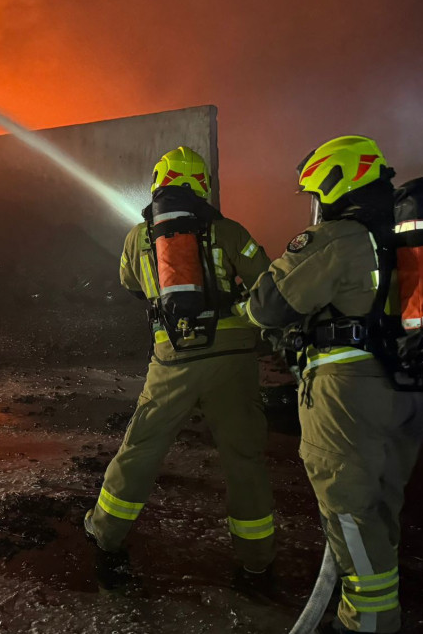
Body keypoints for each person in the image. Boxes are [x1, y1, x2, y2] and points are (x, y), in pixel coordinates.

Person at [244, 135, 423, 634]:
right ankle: (375, 608)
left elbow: (267, 303)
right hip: (409, 386)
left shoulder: (340, 237)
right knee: (379, 508)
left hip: (351, 393)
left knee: (350, 512)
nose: (315, 205)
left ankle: (366, 622)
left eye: (316, 193)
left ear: (335, 183)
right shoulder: (406, 236)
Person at [84, 146, 278, 577]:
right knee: (243, 458)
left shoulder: (139, 236)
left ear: (159, 183)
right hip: (232, 360)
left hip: (172, 359)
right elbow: (268, 282)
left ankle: (106, 534)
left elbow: (129, 283)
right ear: (203, 185)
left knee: (141, 449)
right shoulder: (229, 230)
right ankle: (257, 560)